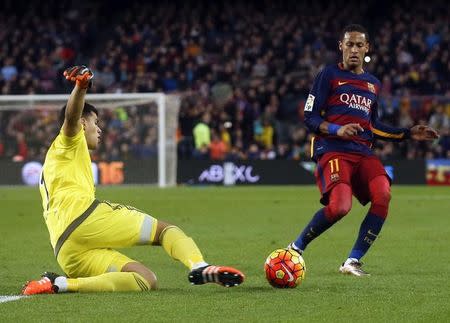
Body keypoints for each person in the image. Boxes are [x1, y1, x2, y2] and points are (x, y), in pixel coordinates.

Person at [22, 66, 244, 295]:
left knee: (145, 279)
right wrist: (81, 87)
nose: (99, 129)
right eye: (95, 122)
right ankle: (199, 266)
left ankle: (59, 284)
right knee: (165, 230)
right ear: (83, 124)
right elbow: (71, 118)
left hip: (65, 249)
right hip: (83, 218)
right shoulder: (68, 141)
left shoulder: (58, 159)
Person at [287, 24, 439, 276]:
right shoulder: (328, 75)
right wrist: (337, 130)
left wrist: (407, 133)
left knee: (383, 195)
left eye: (359, 45)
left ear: (367, 48)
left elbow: (373, 126)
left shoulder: (373, 84)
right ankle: (295, 248)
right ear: (341, 47)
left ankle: (352, 261)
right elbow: (309, 116)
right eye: (349, 44)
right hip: (333, 149)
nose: (354, 50)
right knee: (340, 207)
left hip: (363, 152)